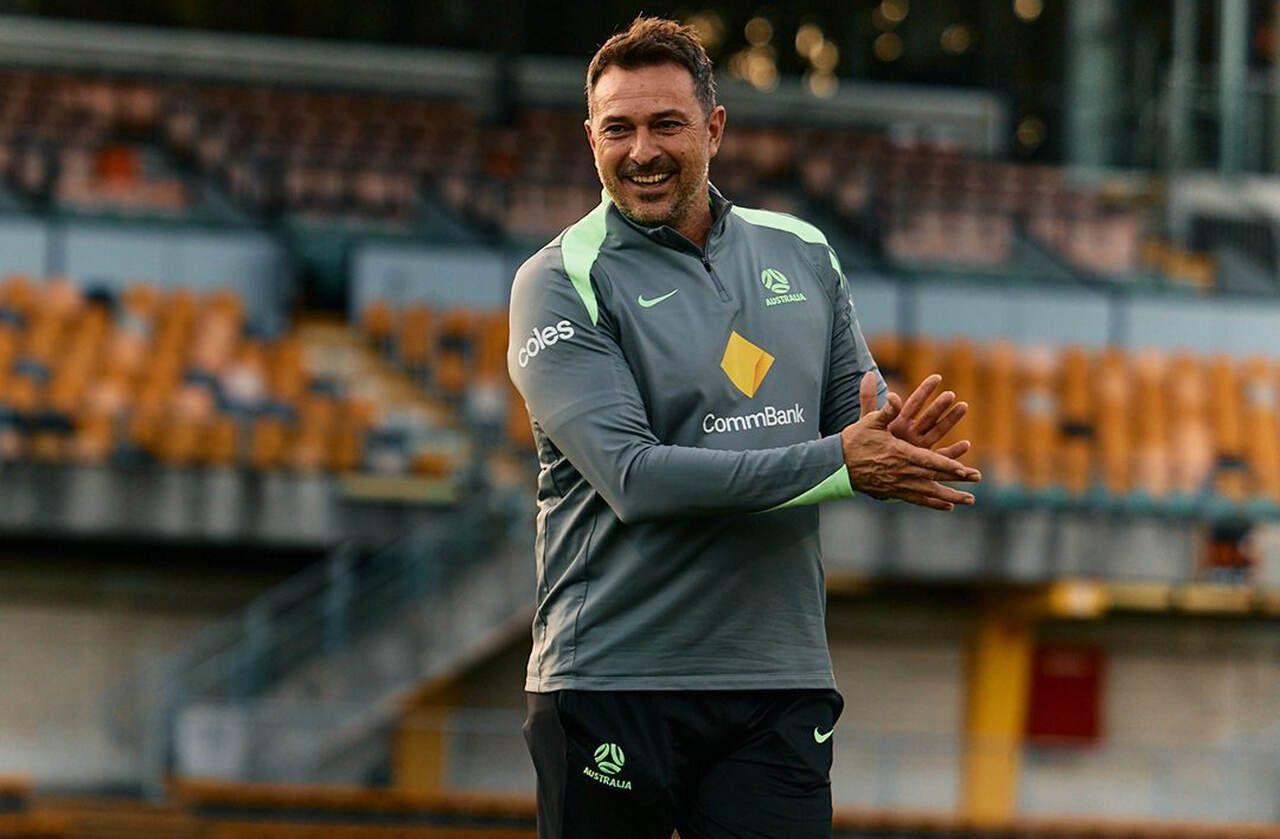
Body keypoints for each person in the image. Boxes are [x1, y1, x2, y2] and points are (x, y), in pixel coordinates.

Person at [507, 16, 980, 839]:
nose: (642, 151)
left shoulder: (803, 252)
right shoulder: (557, 280)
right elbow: (634, 478)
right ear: (590, 138)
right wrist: (842, 461)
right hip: (612, 678)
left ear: (715, 129)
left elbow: (852, 424)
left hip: (777, 681)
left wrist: (896, 437)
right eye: (618, 129)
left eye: (667, 124)